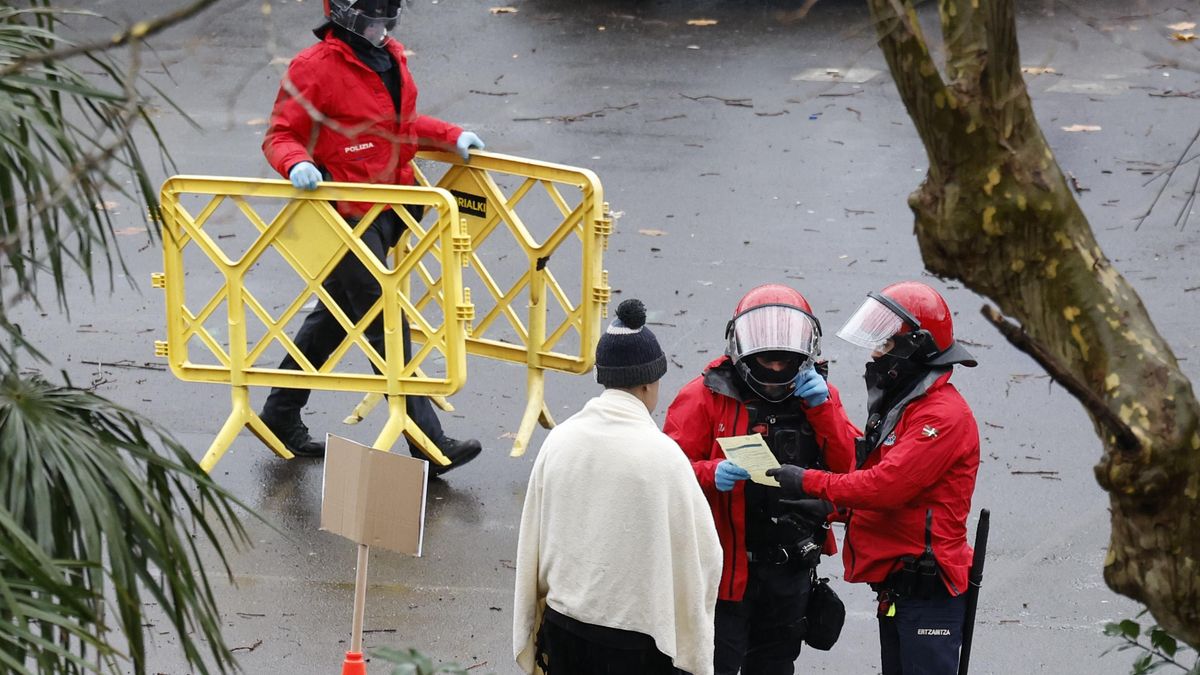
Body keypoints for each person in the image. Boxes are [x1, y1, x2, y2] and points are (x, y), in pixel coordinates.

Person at [257, 0, 486, 471]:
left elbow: (396, 128)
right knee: (387, 322)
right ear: (343, 12)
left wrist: (450, 135)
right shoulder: (314, 68)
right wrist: (296, 162)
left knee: (336, 317)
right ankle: (430, 443)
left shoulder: (391, 56)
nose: (381, 23)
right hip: (343, 214)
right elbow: (281, 134)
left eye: (387, 12)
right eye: (372, 13)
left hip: (387, 209)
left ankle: (279, 415)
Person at [766, 281, 981, 675]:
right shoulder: (909, 407)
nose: (875, 354)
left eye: (884, 346)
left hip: (928, 593)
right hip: (900, 589)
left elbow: (885, 487)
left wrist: (810, 481)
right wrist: (833, 509)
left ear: (912, 349)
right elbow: (886, 491)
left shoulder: (942, 417)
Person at [513, 299, 722, 675]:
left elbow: (536, 538)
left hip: (565, 624)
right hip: (635, 639)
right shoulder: (663, 457)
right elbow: (703, 559)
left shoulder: (561, 440)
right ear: (647, 383)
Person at [663, 283, 859, 675]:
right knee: (712, 665)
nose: (773, 368)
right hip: (724, 574)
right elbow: (666, 469)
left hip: (790, 573)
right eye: (765, 360)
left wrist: (824, 411)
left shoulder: (822, 397)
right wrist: (710, 472)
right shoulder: (703, 397)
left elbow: (848, 474)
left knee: (775, 665)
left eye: (782, 360)